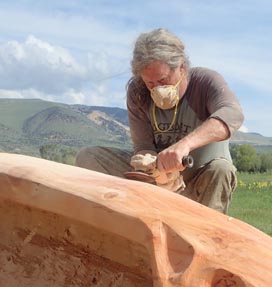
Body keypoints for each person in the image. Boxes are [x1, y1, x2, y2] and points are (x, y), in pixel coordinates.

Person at [75, 28, 244, 213]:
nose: (157, 89)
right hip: (159, 181)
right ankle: (118, 224)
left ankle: (206, 234)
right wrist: (153, 169)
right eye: (151, 83)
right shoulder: (138, 92)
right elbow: (143, 146)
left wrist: (184, 146)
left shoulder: (205, 82)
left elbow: (233, 114)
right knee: (89, 157)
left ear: (181, 68)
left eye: (163, 81)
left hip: (201, 182)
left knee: (222, 169)